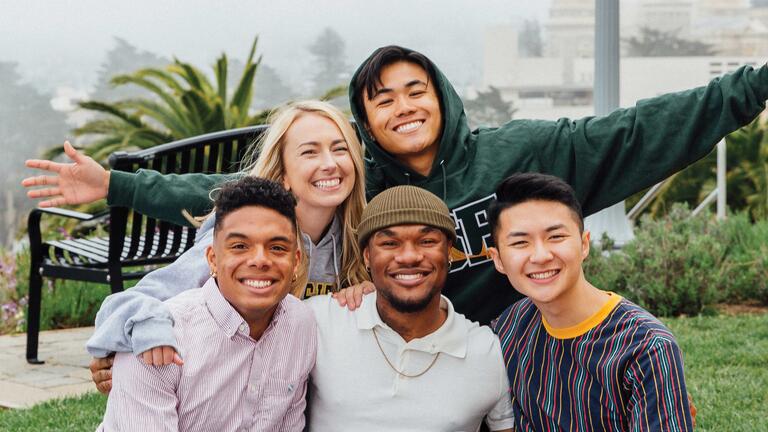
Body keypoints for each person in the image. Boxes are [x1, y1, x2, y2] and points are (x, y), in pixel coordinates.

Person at [24, 46, 768, 325]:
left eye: (416, 90)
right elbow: (244, 186)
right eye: (382, 98)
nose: (403, 106)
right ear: (365, 120)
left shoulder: (520, 152)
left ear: (440, 96)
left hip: (503, 342)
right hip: (394, 346)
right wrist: (118, 185)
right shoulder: (354, 182)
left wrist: (752, 87)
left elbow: (638, 129)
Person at [82, 100, 369, 392]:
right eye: (310, 152)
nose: (330, 164)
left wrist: (371, 297)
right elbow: (125, 305)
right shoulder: (241, 239)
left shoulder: (360, 236)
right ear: (283, 175)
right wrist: (134, 347)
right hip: (220, 395)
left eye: (340, 149)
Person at [98, 176, 316, 431]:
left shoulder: (301, 324)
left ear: (296, 261)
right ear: (212, 259)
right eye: (240, 246)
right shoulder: (156, 340)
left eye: (277, 247)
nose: (260, 260)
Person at [487, 173, 693, 431]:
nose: (540, 255)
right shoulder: (510, 328)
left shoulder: (646, 347)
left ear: (584, 244)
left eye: (556, 237)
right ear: (497, 259)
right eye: (520, 242)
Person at [304, 185, 513, 431]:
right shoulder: (318, 320)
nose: (409, 257)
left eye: (427, 241)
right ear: (367, 256)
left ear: (449, 251)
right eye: (390, 243)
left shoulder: (488, 351)